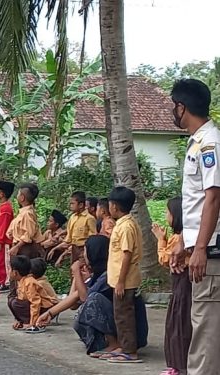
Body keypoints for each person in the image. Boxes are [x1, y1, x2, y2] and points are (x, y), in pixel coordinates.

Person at [170, 79, 220, 375]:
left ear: (181, 107)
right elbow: (196, 205)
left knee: (205, 337)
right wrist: (184, 242)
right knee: (205, 332)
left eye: (172, 106)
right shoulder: (199, 142)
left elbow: (213, 198)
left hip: (211, 253)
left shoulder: (210, 143)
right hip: (203, 247)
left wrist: (200, 247)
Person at [103, 186, 143, 363]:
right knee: (120, 314)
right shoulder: (124, 223)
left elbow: (127, 254)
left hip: (124, 280)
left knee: (124, 315)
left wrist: (120, 282)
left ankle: (130, 352)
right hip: (120, 279)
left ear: (114, 206)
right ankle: (124, 346)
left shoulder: (126, 226)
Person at [151, 197, 191, 375]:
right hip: (183, 284)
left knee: (178, 324)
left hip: (182, 284)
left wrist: (160, 240)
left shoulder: (179, 239)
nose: (166, 216)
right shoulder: (180, 238)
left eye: (168, 212)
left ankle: (179, 365)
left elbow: (165, 259)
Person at [7, 255, 56, 333]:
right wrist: (18, 320)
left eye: (9, 269)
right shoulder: (21, 281)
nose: (8, 271)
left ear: (15, 272)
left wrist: (33, 323)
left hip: (44, 308)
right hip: (33, 307)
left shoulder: (29, 282)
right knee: (11, 301)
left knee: (15, 303)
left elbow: (35, 302)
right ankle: (23, 322)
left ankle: (34, 323)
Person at [51, 191, 97, 266]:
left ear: (81, 205)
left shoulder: (89, 218)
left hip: (84, 249)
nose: (70, 205)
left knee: (81, 270)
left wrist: (86, 251)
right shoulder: (72, 217)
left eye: (72, 203)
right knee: (73, 271)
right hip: (74, 248)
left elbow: (93, 237)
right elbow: (69, 237)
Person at [6, 183, 45, 261]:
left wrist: (17, 247)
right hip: (20, 247)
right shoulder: (23, 212)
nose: (17, 196)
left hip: (25, 249)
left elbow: (28, 234)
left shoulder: (27, 213)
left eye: (18, 194)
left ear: (22, 198)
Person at [0, 181, 15, 292]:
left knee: (3, 262)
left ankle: (5, 282)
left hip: (4, 241)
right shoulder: (2, 207)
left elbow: (4, 226)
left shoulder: (6, 208)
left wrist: (0, 241)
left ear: (2, 194)